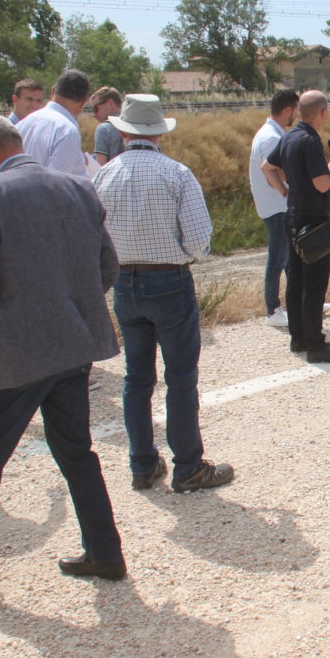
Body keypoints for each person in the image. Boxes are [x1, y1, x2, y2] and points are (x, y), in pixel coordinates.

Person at [0, 114, 124, 600]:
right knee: (76, 452)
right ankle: (105, 552)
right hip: (73, 345)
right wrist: (71, 305)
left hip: (12, 353)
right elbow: (106, 266)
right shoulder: (77, 188)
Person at [92, 95, 232, 493]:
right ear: (158, 133)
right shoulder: (176, 173)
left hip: (124, 280)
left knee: (137, 378)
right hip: (168, 280)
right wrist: (183, 254)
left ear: (123, 131)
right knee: (181, 378)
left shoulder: (104, 175)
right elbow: (199, 240)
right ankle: (188, 465)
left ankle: (143, 463)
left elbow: (94, 233)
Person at [262, 91, 330, 363]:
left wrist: (285, 191)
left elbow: (267, 167)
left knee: (296, 280)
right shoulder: (310, 141)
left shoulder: (287, 137)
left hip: (293, 216)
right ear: (322, 112)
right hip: (314, 221)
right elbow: (321, 183)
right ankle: (316, 344)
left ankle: (298, 338)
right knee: (314, 284)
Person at [249, 89, 300, 328]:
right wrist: (288, 191)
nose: (296, 115)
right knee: (277, 259)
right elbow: (273, 171)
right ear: (288, 110)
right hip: (277, 207)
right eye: (296, 110)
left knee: (289, 258)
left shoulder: (267, 132)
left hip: (274, 205)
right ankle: (272, 309)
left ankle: (296, 302)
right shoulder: (272, 137)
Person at [17, 69, 90, 177]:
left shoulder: (22, 124)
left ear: (53, 91)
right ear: (84, 102)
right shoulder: (67, 132)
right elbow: (55, 185)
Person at [89, 86, 124, 165]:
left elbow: (100, 167)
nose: (94, 114)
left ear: (110, 104)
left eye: (96, 109)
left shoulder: (103, 129)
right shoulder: (134, 126)